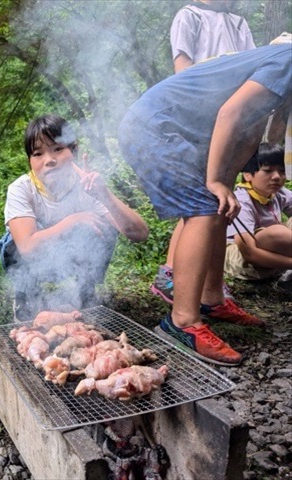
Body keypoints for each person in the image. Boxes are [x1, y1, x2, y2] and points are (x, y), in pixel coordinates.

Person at [118, 41, 292, 367]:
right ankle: (182, 321)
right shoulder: (290, 59)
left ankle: (212, 299)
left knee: (218, 206)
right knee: (204, 208)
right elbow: (231, 112)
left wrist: (224, 181)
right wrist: (214, 180)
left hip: (174, 130)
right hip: (154, 127)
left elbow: (252, 131)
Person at [152, 0, 256, 303]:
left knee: (220, 199)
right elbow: (182, 68)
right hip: (198, 117)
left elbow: (249, 66)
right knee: (196, 200)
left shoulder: (238, 22)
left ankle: (211, 285)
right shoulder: (190, 15)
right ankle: (170, 273)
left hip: (231, 116)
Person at [0, 114, 148, 321]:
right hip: (34, 263)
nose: (49, 160)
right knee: (12, 242)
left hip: (71, 260)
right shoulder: (22, 189)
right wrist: (73, 220)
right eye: (37, 153)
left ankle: (85, 292)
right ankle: (26, 295)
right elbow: (26, 247)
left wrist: (104, 195)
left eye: (58, 149)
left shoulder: (86, 186)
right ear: (30, 160)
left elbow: (139, 233)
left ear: (73, 151)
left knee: (103, 226)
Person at [225, 143, 292, 289]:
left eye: (282, 171)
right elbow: (249, 253)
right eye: (267, 171)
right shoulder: (241, 202)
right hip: (243, 260)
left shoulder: (278, 193)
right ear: (247, 174)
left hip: (275, 257)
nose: (276, 177)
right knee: (277, 232)